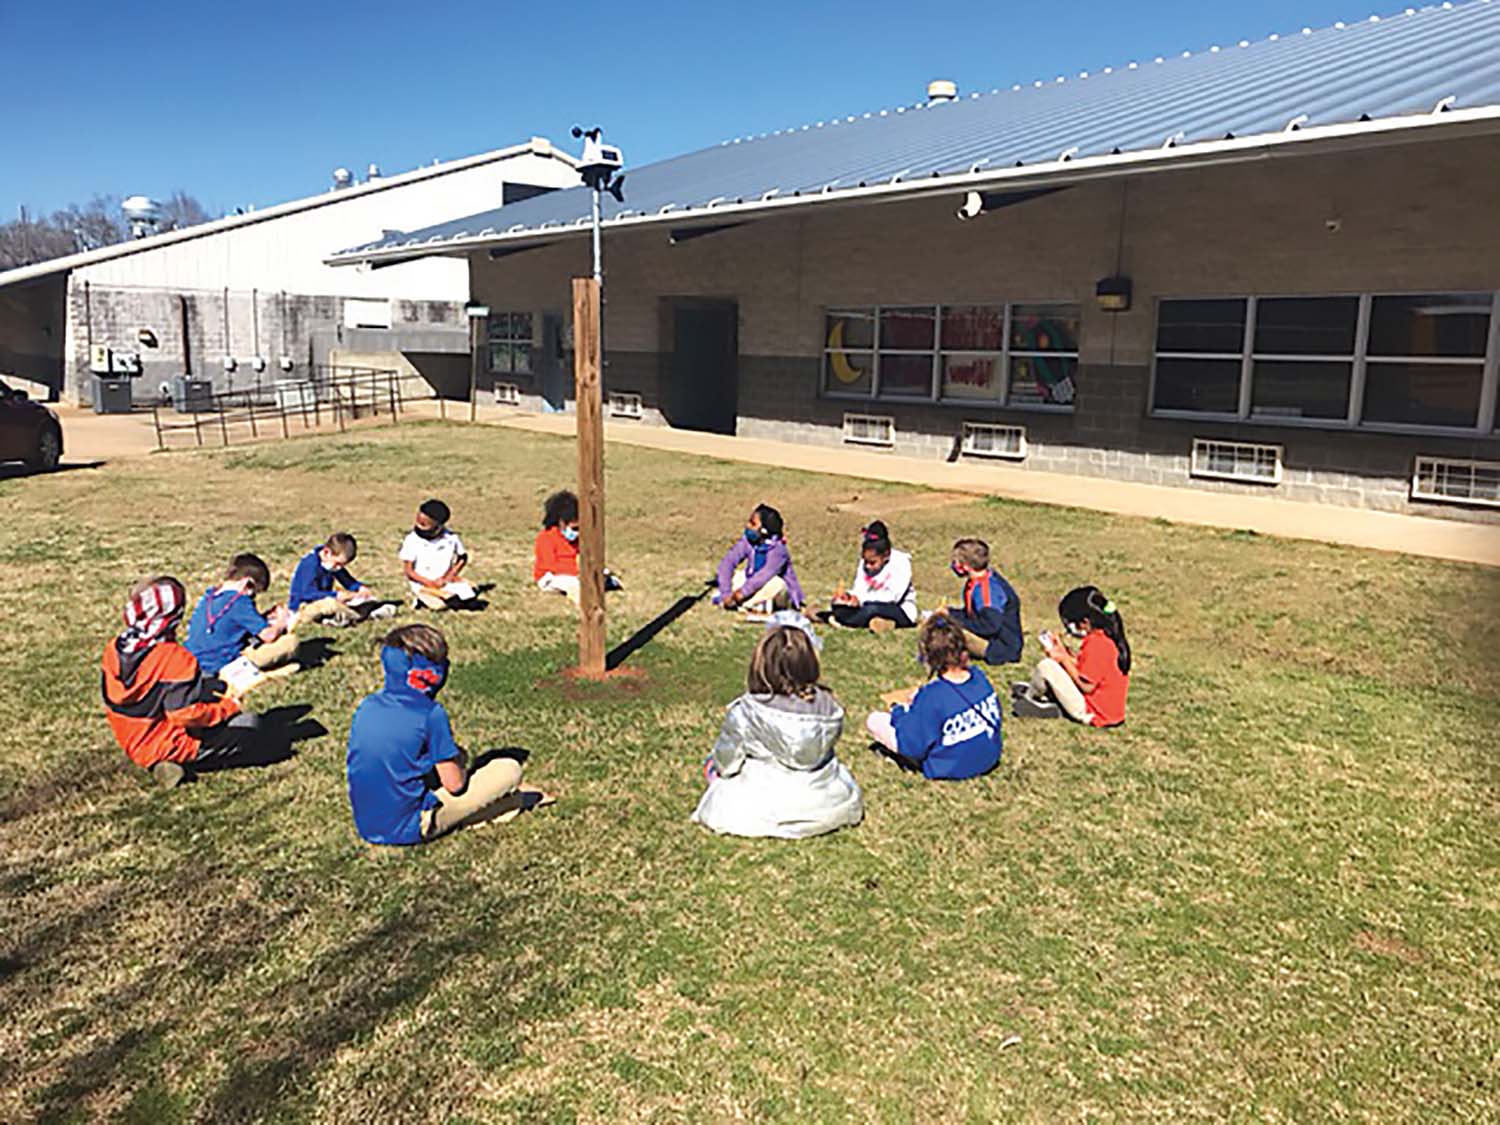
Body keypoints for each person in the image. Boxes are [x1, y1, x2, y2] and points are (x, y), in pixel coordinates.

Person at [346, 623, 548, 845]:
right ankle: (509, 803)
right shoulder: (430, 713)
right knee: (508, 769)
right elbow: (455, 785)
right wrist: (460, 762)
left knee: (444, 758)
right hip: (411, 826)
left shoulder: (367, 705)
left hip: (367, 824)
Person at [692, 624, 863, 839]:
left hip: (769, 801)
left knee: (715, 769)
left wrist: (716, 768)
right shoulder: (829, 705)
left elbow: (728, 763)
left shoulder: (747, 711)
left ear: (760, 665)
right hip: (829, 801)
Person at [101, 576, 272, 789]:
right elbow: (186, 715)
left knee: (209, 688)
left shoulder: (114, 648)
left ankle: (162, 764)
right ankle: (172, 758)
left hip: (130, 739)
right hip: (166, 740)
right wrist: (228, 708)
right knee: (251, 724)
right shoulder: (174, 657)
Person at [865, 614, 1001, 781]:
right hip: (989, 757)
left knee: (874, 720)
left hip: (948, 767)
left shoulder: (932, 695)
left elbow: (911, 745)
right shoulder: (979, 677)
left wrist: (898, 711)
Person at [1013, 586, 1131, 726]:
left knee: (1047, 666)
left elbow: (1087, 687)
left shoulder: (1098, 644)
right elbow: (1086, 669)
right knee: (1055, 666)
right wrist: (1063, 652)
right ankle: (1041, 694)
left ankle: (1033, 697)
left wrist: (1063, 660)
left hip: (1092, 712)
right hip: (1105, 711)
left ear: (1085, 623)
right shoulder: (1107, 638)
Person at [184, 553, 298, 676]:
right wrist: (281, 622)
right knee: (290, 643)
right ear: (247, 584)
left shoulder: (209, 596)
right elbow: (268, 636)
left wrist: (264, 618)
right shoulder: (239, 601)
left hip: (192, 661)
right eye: (254, 593)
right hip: (220, 664)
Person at [288, 532, 394, 628]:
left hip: (325, 601)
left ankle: (349, 615)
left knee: (359, 601)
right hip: (303, 607)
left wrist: (359, 588)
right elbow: (306, 593)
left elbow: (346, 580)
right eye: (338, 564)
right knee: (330, 604)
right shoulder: (310, 564)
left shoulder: (330, 562)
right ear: (326, 552)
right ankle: (362, 614)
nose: (338, 568)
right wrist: (335, 596)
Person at [826, 520, 917, 633]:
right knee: (838, 605)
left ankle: (843, 620)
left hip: (899, 609)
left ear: (886, 555)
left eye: (873, 563)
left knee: (872, 609)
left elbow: (893, 597)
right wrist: (849, 597)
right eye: (866, 562)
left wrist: (861, 600)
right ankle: (878, 623)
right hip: (866, 605)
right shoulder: (864, 564)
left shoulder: (901, 563)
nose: (868, 566)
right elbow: (859, 589)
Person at [532, 489, 622, 604]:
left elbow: (588, 556)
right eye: (574, 529)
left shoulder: (576, 540)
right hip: (551, 578)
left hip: (574, 575)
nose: (577, 533)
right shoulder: (546, 538)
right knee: (573, 584)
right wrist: (578, 574)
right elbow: (551, 568)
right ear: (561, 523)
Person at [944, 537, 1023, 666]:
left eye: (955, 562)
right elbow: (974, 616)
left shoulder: (987, 590)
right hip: (996, 642)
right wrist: (950, 613)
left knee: (946, 630)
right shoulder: (980, 581)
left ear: (965, 566)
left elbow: (989, 625)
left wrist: (955, 620)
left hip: (999, 649)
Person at [714, 503, 805, 613]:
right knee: (735, 576)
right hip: (751, 582)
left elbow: (762, 577)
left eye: (753, 524)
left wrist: (741, 593)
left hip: (769, 586)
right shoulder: (748, 541)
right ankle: (747, 604)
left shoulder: (778, 550)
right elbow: (728, 563)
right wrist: (726, 593)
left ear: (764, 530)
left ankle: (746, 604)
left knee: (776, 584)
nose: (748, 526)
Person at [400, 498, 476, 610]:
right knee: (438, 605)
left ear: (438, 526)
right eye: (418, 523)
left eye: (424, 525)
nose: (419, 527)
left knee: (469, 592)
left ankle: (452, 598)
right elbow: (409, 571)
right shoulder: (412, 540)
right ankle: (430, 599)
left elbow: (462, 558)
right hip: (423, 584)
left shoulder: (451, 538)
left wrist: (449, 576)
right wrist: (430, 583)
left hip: (444, 582)